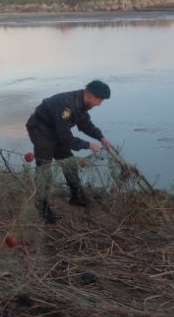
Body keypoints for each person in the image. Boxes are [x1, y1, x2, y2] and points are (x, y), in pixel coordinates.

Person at [26, 80, 112, 223]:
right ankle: (42, 209)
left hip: (56, 130)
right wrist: (88, 145)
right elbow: (65, 138)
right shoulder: (66, 107)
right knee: (44, 170)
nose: (99, 104)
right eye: (99, 100)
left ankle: (76, 197)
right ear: (91, 95)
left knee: (69, 163)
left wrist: (100, 137)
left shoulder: (81, 104)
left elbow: (85, 124)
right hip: (40, 130)